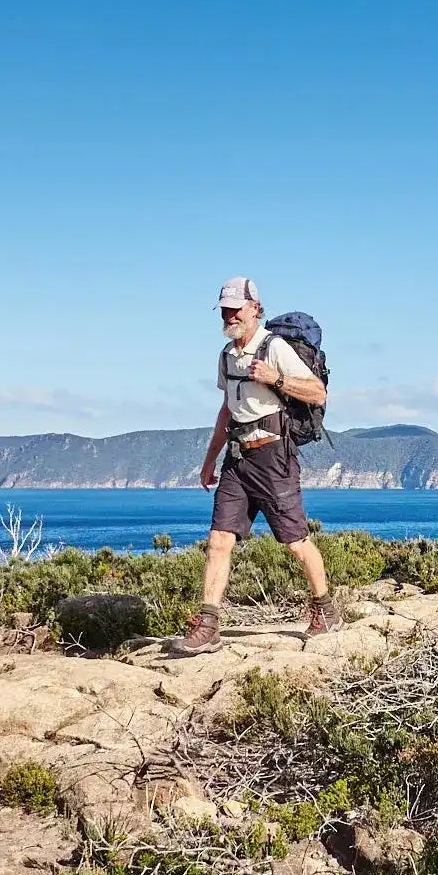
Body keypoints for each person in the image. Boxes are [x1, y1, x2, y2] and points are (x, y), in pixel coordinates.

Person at [172, 277, 340, 655]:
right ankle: (209, 624)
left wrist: (276, 377)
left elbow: (317, 392)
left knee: (295, 542)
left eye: (236, 308)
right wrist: (210, 458)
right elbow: (227, 410)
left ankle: (325, 609)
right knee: (219, 540)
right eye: (225, 309)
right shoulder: (226, 356)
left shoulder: (274, 348)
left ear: (254, 309)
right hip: (237, 457)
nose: (230, 315)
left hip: (273, 457)